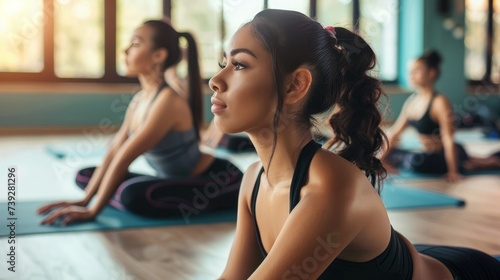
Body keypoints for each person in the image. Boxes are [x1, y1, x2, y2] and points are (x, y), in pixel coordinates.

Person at [209, 9, 500, 279]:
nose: (216, 80)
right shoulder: (253, 181)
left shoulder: (332, 189)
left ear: (295, 85)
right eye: (224, 63)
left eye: (239, 64)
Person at [37, 20, 243, 225]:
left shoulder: (167, 101)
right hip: (170, 180)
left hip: (218, 180)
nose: (125, 50)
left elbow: (125, 155)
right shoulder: (139, 100)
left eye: (135, 44)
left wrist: (92, 210)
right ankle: (114, 196)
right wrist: (83, 201)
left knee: (132, 195)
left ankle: (115, 197)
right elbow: (114, 150)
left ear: (158, 56)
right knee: (85, 175)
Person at [383, 50, 500, 182]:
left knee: (417, 162)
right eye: (410, 70)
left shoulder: (439, 102)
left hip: (443, 154)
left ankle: (477, 163)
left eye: (417, 70)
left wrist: (453, 172)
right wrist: (380, 161)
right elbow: (394, 133)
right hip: (427, 153)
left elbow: (448, 138)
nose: (411, 74)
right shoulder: (412, 102)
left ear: (431, 73)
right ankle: (477, 160)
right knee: (395, 153)